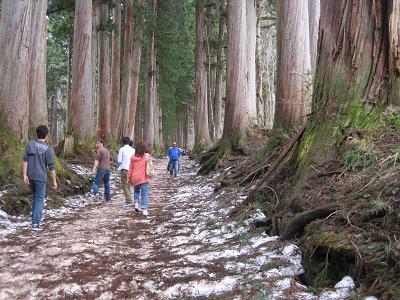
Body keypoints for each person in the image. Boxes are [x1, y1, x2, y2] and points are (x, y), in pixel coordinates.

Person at [23, 125, 57, 230]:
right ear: (46, 136)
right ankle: (36, 222)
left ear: (36, 134)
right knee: (39, 199)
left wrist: (24, 174)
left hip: (30, 176)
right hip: (41, 178)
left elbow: (25, 160)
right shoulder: (47, 148)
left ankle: (34, 218)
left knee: (35, 196)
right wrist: (54, 181)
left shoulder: (29, 144)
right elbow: (51, 166)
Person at [127, 140, 152, 216]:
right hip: (143, 178)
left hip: (134, 178)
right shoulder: (147, 156)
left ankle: (136, 204)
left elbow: (130, 168)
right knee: (144, 194)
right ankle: (144, 209)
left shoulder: (133, 158)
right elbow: (150, 165)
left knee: (136, 191)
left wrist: (129, 178)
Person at [118, 137, 135, 206]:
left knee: (124, 185)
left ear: (123, 142)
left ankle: (129, 200)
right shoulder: (133, 150)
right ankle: (128, 199)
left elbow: (119, 160)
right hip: (132, 169)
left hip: (124, 169)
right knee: (129, 185)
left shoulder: (122, 149)